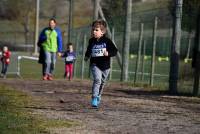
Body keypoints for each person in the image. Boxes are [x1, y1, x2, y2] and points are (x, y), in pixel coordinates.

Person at [84, 20, 118, 107]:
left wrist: (108, 53)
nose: (94, 32)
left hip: (106, 66)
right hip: (95, 64)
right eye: (93, 30)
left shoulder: (107, 41)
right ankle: (94, 98)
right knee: (97, 80)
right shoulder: (91, 41)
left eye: (96, 30)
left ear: (102, 32)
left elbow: (115, 51)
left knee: (102, 82)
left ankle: (99, 95)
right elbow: (89, 50)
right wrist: (87, 56)